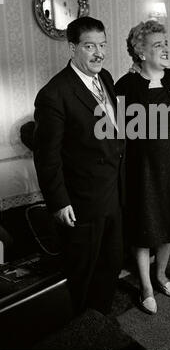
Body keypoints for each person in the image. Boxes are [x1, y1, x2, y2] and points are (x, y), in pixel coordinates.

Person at [33, 16, 125, 315]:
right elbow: (47, 156)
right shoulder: (54, 94)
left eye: (102, 45)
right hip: (82, 200)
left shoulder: (106, 78)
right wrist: (59, 203)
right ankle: (81, 330)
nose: (99, 53)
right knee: (83, 271)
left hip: (113, 192)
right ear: (72, 48)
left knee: (111, 264)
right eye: (89, 46)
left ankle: (101, 322)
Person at [115, 20, 170, 315]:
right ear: (140, 52)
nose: (165, 49)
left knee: (167, 224)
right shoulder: (125, 85)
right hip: (141, 171)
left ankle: (161, 275)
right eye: (157, 45)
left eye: (165, 43)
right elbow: (115, 132)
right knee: (143, 228)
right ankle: (146, 288)